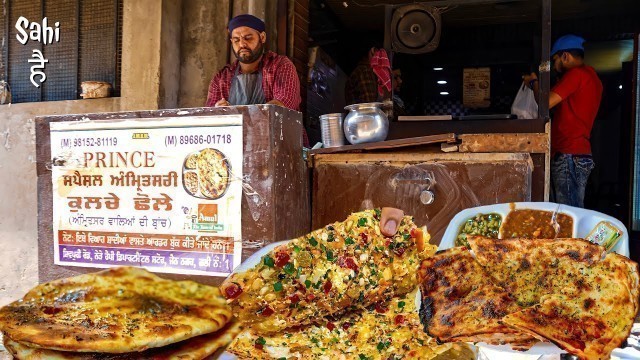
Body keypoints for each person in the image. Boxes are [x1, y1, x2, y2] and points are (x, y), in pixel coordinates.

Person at [523, 34, 602, 208]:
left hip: (569, 154)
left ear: (565, 56)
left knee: (567, 211)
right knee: (571, 209)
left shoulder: (576, 75)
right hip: (578, 153)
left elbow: (546, 103)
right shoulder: (592, 77)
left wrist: (534, 82)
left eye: (555, 59)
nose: (555, 66)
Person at [206, 14, 301, 111]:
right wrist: (217, 111)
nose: (242, 44)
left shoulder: (280, 66)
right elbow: (208, 118)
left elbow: (282, 107)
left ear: (262, 37)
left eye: (248, 38)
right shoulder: (221, 78)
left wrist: (236, 113)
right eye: (236, 40)